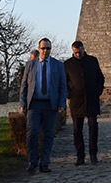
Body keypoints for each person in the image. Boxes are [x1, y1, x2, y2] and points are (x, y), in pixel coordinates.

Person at [20, 38, 67, 173]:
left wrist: (61, 103)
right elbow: (24, 85)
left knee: (48, 135)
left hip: (50, 105)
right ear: (39, 48)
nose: (45, 51)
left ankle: (44, 163)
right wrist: (23, 103)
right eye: (43, 48)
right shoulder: (30, 65)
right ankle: (33, 161)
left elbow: (62, 86)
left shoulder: (58, 65)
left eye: (48, 48)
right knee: (32, 133)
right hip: (34, 104)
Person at [64, 41, 105, 166]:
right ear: (73, 51)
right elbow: (64, 82)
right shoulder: (68, 64)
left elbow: (100, 78)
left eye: (80, 52)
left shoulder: (92, 61)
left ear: (83, 49)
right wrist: (69, 94)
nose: (78, 55)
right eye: (75, 52)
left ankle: (93, 154)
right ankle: (80, 156)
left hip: (91, 99)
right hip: (76, 101)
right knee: (77, 129)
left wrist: (98, 91)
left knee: (93, 126)